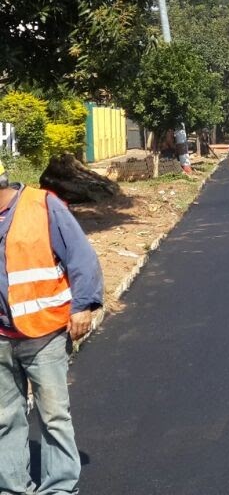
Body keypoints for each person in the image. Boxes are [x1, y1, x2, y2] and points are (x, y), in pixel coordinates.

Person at [0, 160, 103, 495]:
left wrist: (83, 306)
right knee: (5, 419)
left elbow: (81, 257)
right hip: (1, 337)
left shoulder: (43, 205)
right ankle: (14, 488)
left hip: (44, 332)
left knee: (54, 416)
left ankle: (58, 489)